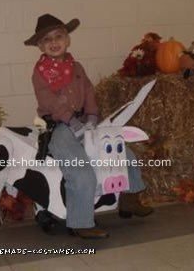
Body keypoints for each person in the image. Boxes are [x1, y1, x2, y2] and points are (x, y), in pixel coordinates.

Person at [24, 14, 153, 239]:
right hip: (60, 126)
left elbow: (89, 91)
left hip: (85, 122)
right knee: (79, 169)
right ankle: (81, 222)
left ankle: (129, 199)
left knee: (121, 152)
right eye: (47, 40)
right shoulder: (40, 73)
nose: (54, 43)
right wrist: (71, 121)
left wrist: (92, 116)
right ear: (39, 45)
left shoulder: (77, 67)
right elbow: (48, 101)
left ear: (67, 39)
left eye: (58, 36)